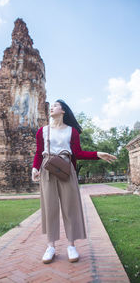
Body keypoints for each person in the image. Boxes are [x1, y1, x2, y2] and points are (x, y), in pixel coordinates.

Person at [31, 99, 117, 264]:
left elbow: (77, 153)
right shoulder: (42, 131)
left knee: (70, 207)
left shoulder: (72, 131)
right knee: (50, 208)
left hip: (67, 170)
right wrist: (35, 168)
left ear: (63, 111)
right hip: (47, 169)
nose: (52, 108)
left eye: (56, 105)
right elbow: (38, 152)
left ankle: (71, 245)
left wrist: (97, 153)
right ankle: (51, 247)